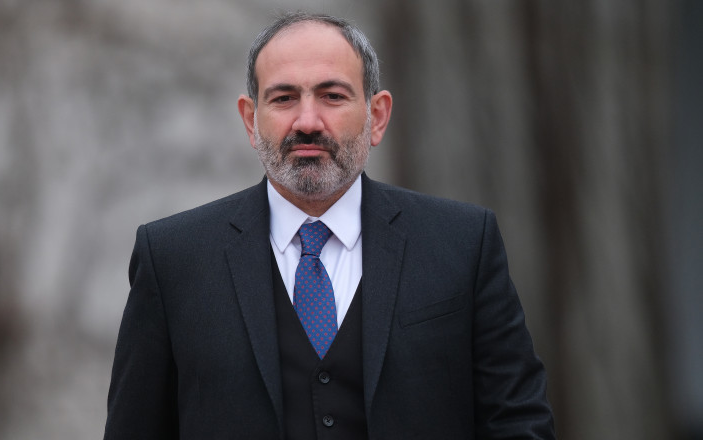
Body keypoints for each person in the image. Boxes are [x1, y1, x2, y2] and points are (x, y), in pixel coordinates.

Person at [104, 11, 555, 440]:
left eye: (332, 95)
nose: (307, 121)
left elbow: (518, 424)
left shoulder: (462, 244)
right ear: (250, 118)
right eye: (283, 98)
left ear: (376, 116)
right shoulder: (172, 259)